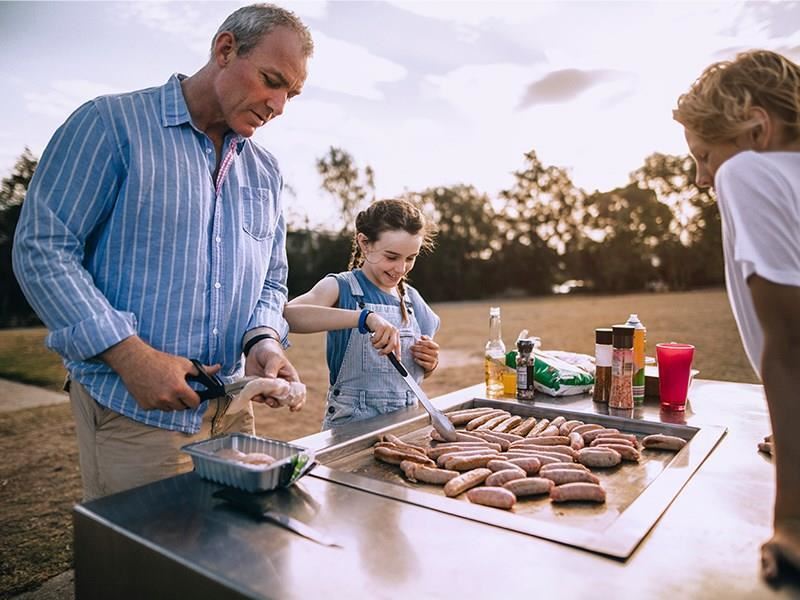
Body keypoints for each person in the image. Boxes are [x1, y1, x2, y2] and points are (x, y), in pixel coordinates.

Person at [12, 4, 313, 500]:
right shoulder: (111, 124)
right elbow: (44, 248)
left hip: (234, 410)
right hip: (134, 415)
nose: (278, 104)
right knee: (143, 574)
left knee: (233, 559)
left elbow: (271, 280)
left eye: (291, 94)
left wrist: (264, 341)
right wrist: (130, 355)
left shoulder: (266, 171)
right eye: (271, 80)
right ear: (224, 49)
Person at [673, 49, 800, 581]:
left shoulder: (746, 171)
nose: (704, 180)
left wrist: (793, 521)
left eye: (705, 156)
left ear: (756, 130)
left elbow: (791, 344)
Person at [284, 199, 441, 429]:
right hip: (349, 427)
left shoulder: (412, 300)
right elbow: (288, 316)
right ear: (365, 244)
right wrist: (363, 318)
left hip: (405, 425)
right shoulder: (341, 287)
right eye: (391, 257)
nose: (401, 268)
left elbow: (415, 376)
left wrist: (429, 364)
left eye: (410, 258)